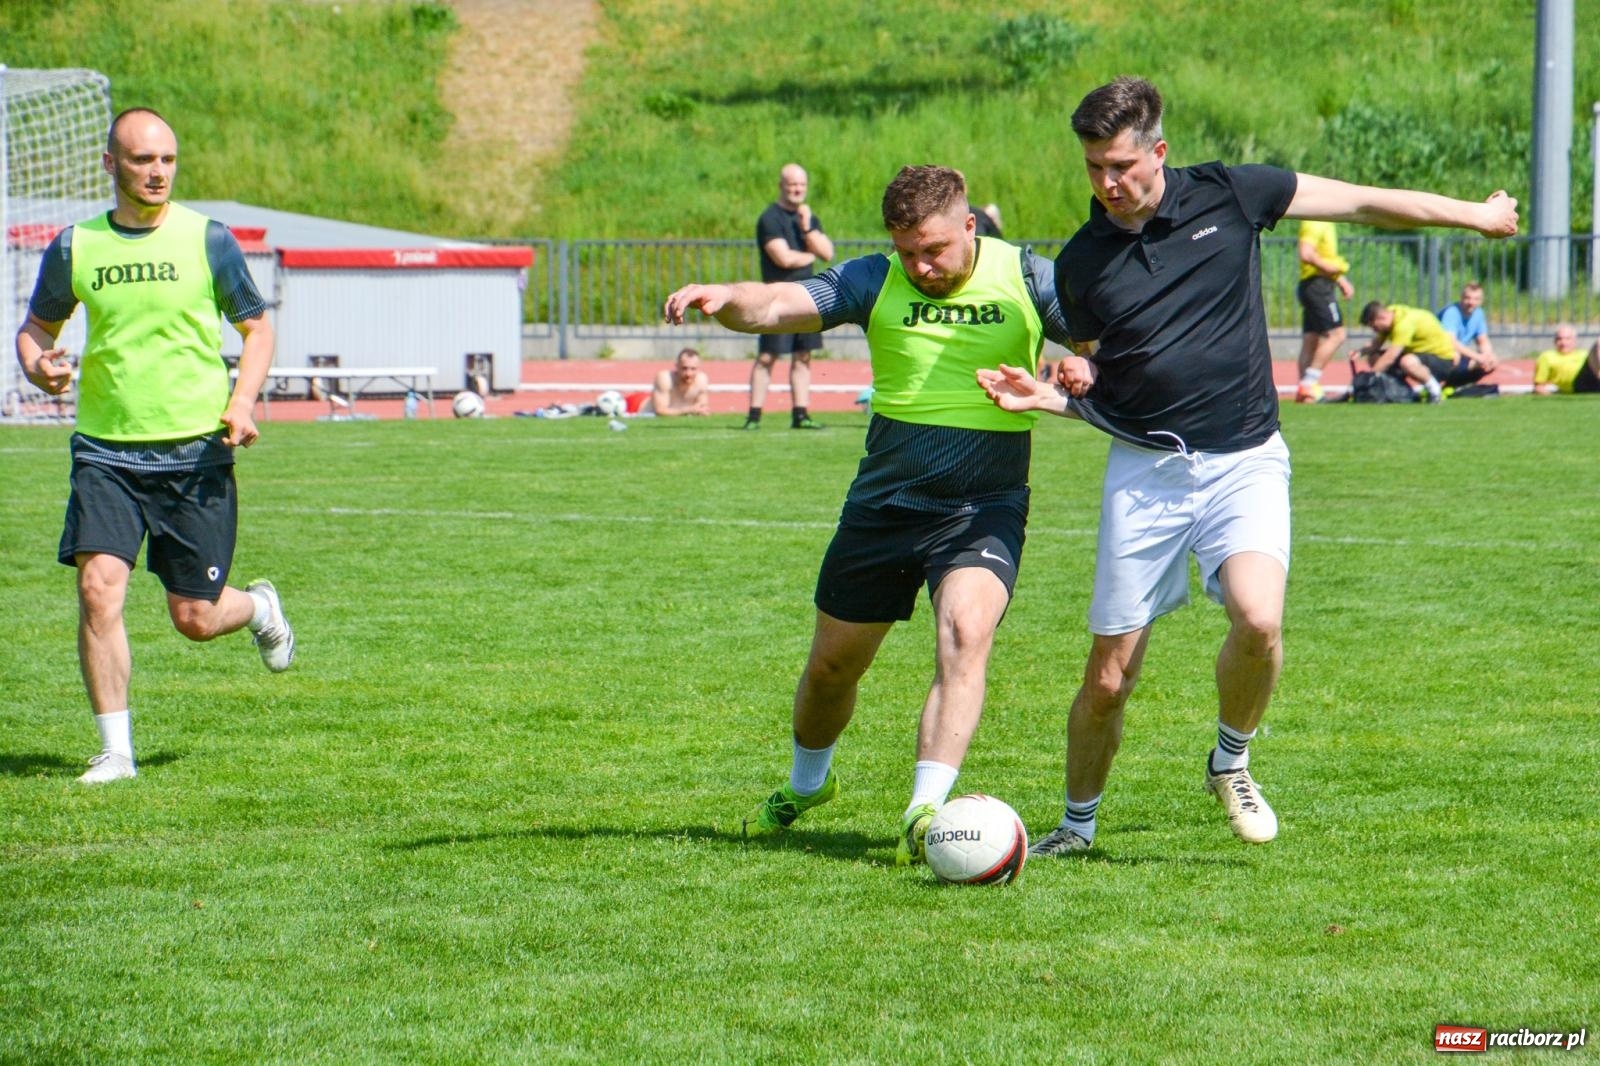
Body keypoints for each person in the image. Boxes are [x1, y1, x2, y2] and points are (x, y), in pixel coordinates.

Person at [976, 76, 1517, 855]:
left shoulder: (1230, 193)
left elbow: (1359, 201)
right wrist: (1059, 391)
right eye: (1093, 167)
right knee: (1107, 679)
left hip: (1246, 461)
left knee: (1259, 619)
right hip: (1147, 472)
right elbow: (1108, 379)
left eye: (1121, 165)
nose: (1107, 184)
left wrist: (1476, 215)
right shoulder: (1082, 263)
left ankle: (1230, 759)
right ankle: (1077, 826)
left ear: (1159, 152)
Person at [664, 164, 1072, 865]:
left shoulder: (1033, 277)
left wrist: (1077, 373)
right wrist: (725, 297)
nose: (920, 265)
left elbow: (1109, 341)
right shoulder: (875, 278)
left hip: (982, 505)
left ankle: (924, 812)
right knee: (832, 669)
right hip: (883, 507)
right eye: (907, 250)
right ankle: (806, 785)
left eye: (935, 250)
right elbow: (774, 305)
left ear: (970, 226)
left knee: (966, 632)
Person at [13, 108, 295, 785]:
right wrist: (39, 364)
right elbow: (35, 330)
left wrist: (242, 402)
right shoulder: (76, 246)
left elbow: (257, 329)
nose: (158, 171)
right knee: (98, 589)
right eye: (142, 160)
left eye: (167, 158)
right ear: (111, 165)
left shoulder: (209, 240)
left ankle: (258, 608)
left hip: (194, 454)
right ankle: (116, 752)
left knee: (195, 618)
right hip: (106, 453)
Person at [748, 163, 834, 430]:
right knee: (767, 357)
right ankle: (754, 416)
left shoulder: (808, 217)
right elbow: (782, 257)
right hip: (777, 298)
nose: (797, 189)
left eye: (801, 185)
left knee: (803, 356)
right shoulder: (769, 219)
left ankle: (800, 414)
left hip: (807, 297)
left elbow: (828, 252)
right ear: (781, 186)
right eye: (792, 184)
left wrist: (807, 228)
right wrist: (809, 255)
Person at [1355, 300, 1498, 401]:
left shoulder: (1403, 324)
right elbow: (1376, 344)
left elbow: (1391, 356)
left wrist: (1370, 379)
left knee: (1406, 361)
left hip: (1443, 359)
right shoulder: (1392, 313)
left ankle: (1434, 391)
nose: (1374, 330)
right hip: (1420, 354)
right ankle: (1399, 390)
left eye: (1374, 327)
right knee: (1374, 356)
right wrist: (1361, 352)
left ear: (1381, 317)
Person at [1293, 219, 1353, 403]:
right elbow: (1306, 253)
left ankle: (1305, 392)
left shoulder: (1324, 221)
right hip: (1317, 286)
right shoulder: (1315, 221)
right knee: (1337, 334)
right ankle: (1309, 384)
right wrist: (1331, 268)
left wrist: (1340, 279)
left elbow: (1321, 254)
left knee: (1311, 338)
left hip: (1313, 284)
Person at [1531, 324, 1600, 395]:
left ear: (1574, 340)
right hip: (1577, 385)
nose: (1563, 343)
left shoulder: (1584, 354)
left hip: (1595, 378)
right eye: (1559, 339)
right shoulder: (1547, 357)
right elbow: (1539, 386)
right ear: (1554, 341)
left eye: (1568, 339)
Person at [1438, 282, 1495, 363]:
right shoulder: (1451, 312)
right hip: (1439, 351)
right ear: (1461, 298)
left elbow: (1483, 340)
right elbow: (1450, 342)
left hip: (1458, 353)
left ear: (1481, 301)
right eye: (1467, 298)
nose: (1471, 302)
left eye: (1476, 299)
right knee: (1455, 356)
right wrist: (1477, 357)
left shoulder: (1479, 313)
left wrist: (1487, 355)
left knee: (1493, 360)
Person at [646, 347, 712, 416]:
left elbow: (702, 408)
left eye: (693, 369)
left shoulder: (702, 380)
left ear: (699, 368)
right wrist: (689, 410)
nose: (688, 374)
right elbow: (660, 411)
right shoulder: (665, 379)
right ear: (677, 366)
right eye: (684, 368)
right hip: (639, 405)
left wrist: (701, 411)